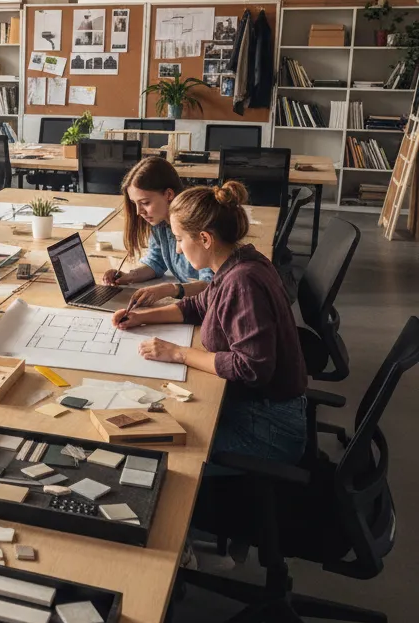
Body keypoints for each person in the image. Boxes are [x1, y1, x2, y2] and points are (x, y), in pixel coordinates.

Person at [112, 181, 307, 464]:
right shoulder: (236, 261)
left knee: (153, 448)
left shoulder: (243, 282)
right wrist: (141, 318)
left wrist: (178, 353)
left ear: (204, 238)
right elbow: (198, 306)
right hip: (254, 406)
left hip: (271, 428)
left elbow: (251, 367)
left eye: (179, 239)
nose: (177, 250)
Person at [103, 157, 213, 306]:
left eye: (145, 203)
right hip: (191, 302)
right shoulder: (159, 222)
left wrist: (170, 290)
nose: (138, 212)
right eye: (135, 203)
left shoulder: (198, 223)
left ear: (168, 194)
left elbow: (211, 285)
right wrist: (129, 276)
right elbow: (156, 262)